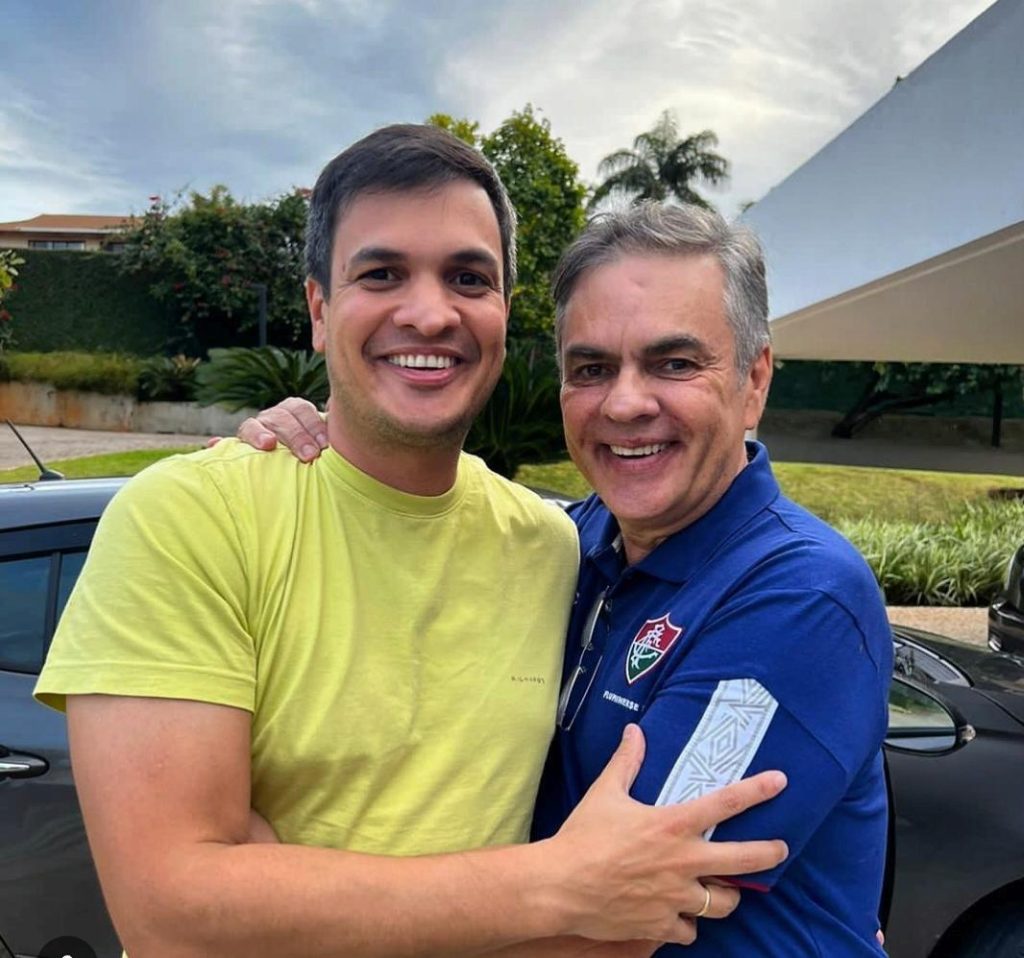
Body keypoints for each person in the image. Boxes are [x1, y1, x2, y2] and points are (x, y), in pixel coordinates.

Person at [34, 125, 787, 958]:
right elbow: (172, 911)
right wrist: (556, 885)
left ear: (503, 313)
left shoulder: (555, 546)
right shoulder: (190, 518)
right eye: (381, 274)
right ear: (319, 310)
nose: (430, 314)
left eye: (468, 277)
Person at [246, 202, 892, 956]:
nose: (625, 403)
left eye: (674, 364)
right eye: (591, 369)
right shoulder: (564, 540)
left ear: (754, 380)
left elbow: (603, 928)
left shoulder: (802, 598)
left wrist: (259, 894)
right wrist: (317, 445)